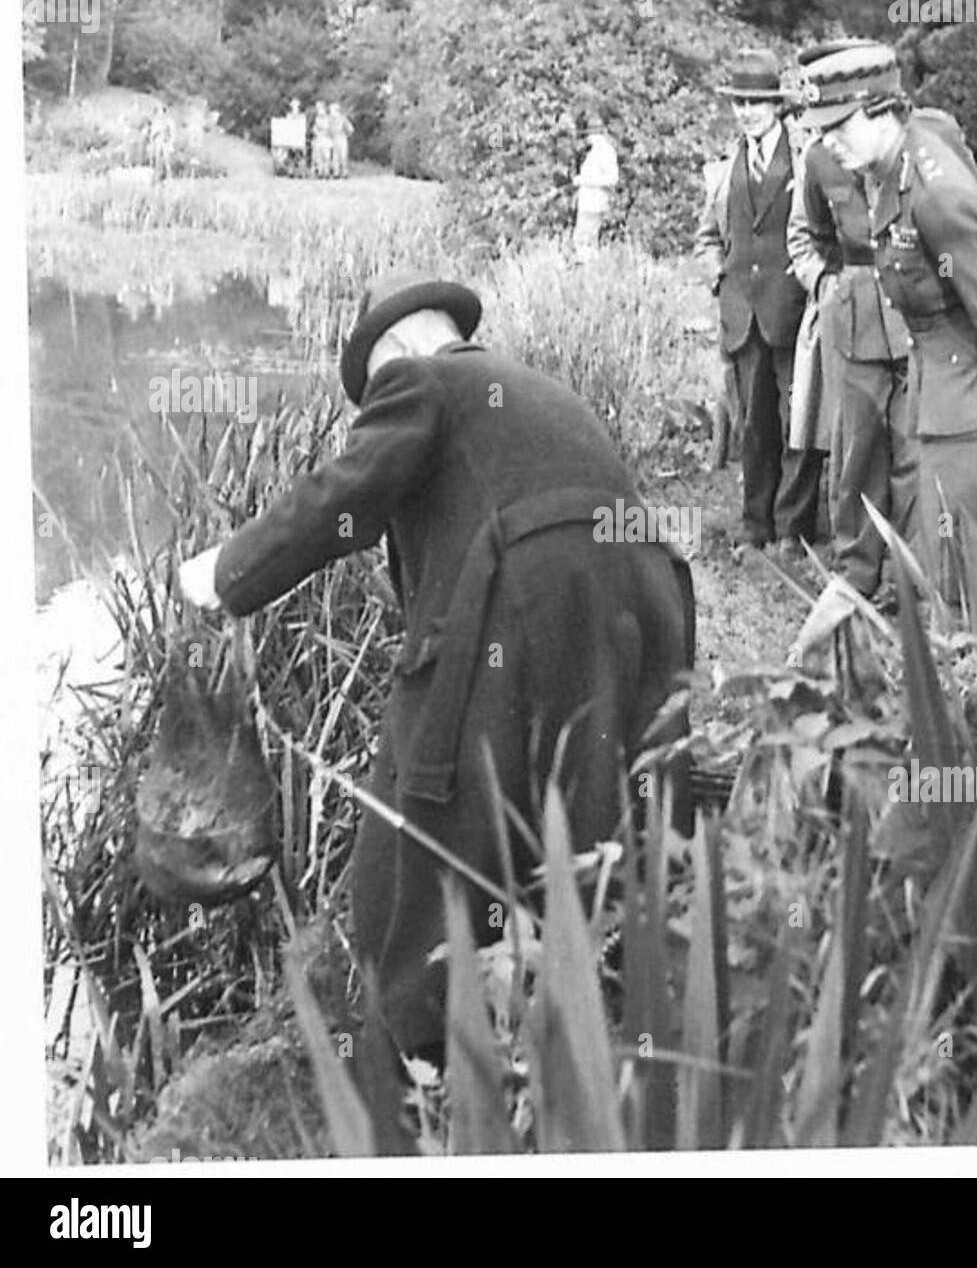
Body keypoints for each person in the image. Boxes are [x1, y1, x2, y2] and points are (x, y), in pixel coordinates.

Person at [178, 270, 695, 1071]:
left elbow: (345, 495)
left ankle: (423, 1064)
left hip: (527, 597)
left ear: (396, 353)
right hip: (648, 602)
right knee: (590, 810)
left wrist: (228, 572)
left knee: (416, 832)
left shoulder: (420, 381)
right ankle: (592, 1028)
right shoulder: (537, 391)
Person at [799, 41, 977, 593]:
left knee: (967, 575)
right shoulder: (890, 171)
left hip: (964, 399)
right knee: (943, 560)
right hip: (935, 386)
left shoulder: (937, 194)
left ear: (884, 110)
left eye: (840, 125)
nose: (827, 142)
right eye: (821, 129)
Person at [787, 39, 916, 599]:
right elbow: (805, 236)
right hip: (855, 315)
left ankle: (908, 576)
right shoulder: (817, 158)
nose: (833, 133)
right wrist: (827, 286)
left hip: (913, 314)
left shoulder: (911, 151)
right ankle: (855, 572)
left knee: (913, 449)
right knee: (857, 450)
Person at [694, 48, 822, 559]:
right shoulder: (725, 169)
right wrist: (718, 278)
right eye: (739, 102)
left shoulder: (807, 159)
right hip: (742, 316)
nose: (746, 111)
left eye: (756, 101)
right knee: (753, 424)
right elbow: (707, 236)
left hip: (791, 313)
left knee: (799, 421)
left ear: (778, 106)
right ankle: (755, 527)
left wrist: (812, 282)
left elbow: (822, 231)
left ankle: (794, 531)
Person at [573, 113, 620, 258]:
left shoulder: (606, 151)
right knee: (581, 240)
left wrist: (584, 180)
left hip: (595, 204)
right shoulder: (591, 152)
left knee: (586, 242)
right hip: (586, 204)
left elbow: (612, 179)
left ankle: (590, 269)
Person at [328, 101, 354, 178]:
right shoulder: (330, 120)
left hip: (342, 139)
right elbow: (328, 130)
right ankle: (336, 173)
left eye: (331, 110)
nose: (330, 111)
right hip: (334, 139)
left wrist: (347, 136)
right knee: (335, 157)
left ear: (336, 110)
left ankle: (345, 173)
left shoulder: (343, 119)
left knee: (343, 156)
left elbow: (351, 129)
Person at [311, 100, 332, 178]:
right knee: (318, 157)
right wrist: (315, 131)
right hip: (318, 139)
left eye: (319, 107)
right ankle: (320, 172)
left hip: (326, 139)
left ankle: (326, 173)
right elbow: (314, 129)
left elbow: (328, 129)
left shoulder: (328, 119)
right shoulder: (316, 118)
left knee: (326, 157)